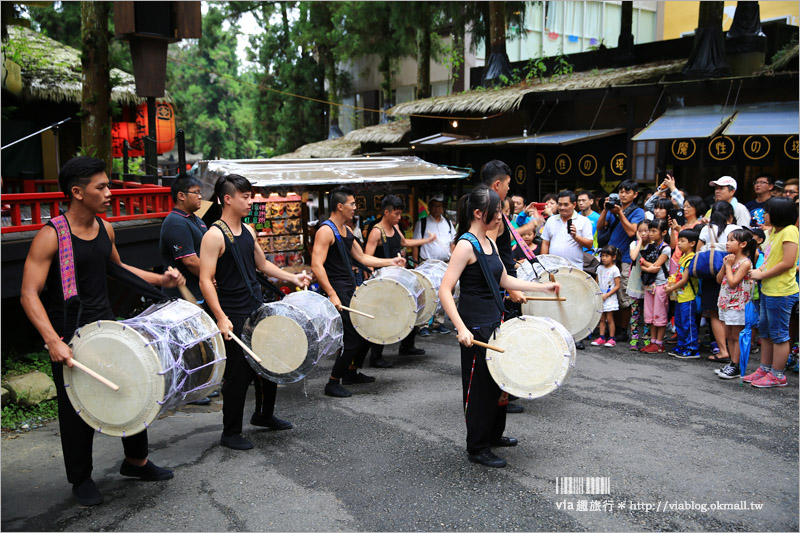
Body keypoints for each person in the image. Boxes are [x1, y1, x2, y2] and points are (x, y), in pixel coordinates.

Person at [20, 156, 183, 506]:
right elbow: (28, 293)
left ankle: (136, 461)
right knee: (76, 407)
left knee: (136, 389)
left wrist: (161, 278)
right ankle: (81, 479)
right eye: (102, 187)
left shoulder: (104, 228)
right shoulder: (51, 236)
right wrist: (52, 340)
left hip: (109, 326)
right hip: (70, 333)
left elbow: (119, 269)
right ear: (77, 192)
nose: (110, 192)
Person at [438, 185, 560, 468]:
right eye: (497, 213)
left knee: (496, 383)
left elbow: (504, 280)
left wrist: (543, 288)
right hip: (474, 325)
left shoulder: (490, 243)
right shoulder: (466, 245)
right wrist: (461, 328)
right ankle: (477, 447)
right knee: (479, 388)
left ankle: (492, 436)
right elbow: (445, 289)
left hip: (494, 320)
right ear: (479, 213)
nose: (501, 218)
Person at [198, 175, 310, 451]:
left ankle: (264, 414)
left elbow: (262, 264)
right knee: (239, 374)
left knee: (269, 361)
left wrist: (292, 278)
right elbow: (204, 279)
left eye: (251, 196)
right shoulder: (213, 235)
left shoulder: (248, 231)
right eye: (245, 196)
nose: (251, 201)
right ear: (227, 199)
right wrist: (220, 317)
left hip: (256, 307)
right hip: (233, 313)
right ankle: (230, 431)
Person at [311, 186, 405, 398]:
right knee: (353, 336)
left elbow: (362, 258)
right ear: (340, 206)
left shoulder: (346, 230)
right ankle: (333, 381)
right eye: (352, 204)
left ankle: (351, 372)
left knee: (368, 329)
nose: (355, 208)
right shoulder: (326, 231)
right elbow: (317, 265)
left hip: (350, 287)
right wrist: (332, 294)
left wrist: (392, 261)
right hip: (338, 290)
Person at [365, 194, 435, 367]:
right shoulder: (377, 231)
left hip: (399, 277)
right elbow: (367, 257)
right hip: (384, 281)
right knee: (381, 316)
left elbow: (405, 242)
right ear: (386, 212)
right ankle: (376, 356)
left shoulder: (395, 227)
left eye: (399, 214)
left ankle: (407, 345)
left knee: (412, 307)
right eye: (396, 214)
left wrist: (426, 240)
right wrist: (372, 282)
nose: (398, 218)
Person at [746, 197, 799, 388]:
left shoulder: (790, 231)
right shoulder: (775, 232)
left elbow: (788, 262)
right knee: (766, 332)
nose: (764, 215)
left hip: (781, 291)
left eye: (767, 211)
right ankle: (765, 369)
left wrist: (761, 273)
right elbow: (771, 258)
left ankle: (777, 374)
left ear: (778, 213)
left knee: (779, 334)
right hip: (769, 289)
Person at [596, 180, 646, 343]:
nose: (623, 194)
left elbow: (632, 231)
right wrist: (605, 210)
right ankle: (613, 328)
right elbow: (600, 226)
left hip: (625, 257)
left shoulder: (638, 212)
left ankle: (623, 329)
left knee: (624, 294)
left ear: (635, 194)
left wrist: (620, 213)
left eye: (627, 191)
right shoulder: (612, 208)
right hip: (610, 257)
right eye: (621, 191)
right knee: (608, 290)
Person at [699, 202, 741, 361]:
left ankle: (722, 350)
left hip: (711, 275)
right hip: (734, 274)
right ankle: (734, 351)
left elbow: (698, 252)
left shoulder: (706, 229)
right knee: (731, 313)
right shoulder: (736, 230)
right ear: (730, 215)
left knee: (715, 313)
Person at [713, 229, 757, 378]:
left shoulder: (745, 263)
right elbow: (719, 279)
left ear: (743, 244)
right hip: (726, 302)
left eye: (732, 240)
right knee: (729, 335)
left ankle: (736, 365)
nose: (728, 243)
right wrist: (725, 265)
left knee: (737, 335)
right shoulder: (730, 260)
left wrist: (728, 266)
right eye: (728, 239)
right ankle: (732, 363)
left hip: (738, 304)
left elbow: (732, 282)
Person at [412, 194, 456, 336]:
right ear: (429, 207)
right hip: (427, 264)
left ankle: (439, 322)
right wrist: (415, 265)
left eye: (439, 206)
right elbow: (416, 244)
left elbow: (452, 244)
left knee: (445, 292)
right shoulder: (422, 222)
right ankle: (423, 324)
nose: (437, 208)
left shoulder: (448, 223)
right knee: (426, 293)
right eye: (434, 205)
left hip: (444, 264)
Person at [666, 229, 701, 359]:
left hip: (688, 296)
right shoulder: (683, 257)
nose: (679, 243)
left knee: (688, 323)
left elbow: (685, 279)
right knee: (680, 323)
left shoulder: (691, 258)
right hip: (680, 296)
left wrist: (671, 288)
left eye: (682, 241)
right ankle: (682, 345)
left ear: (692, 243)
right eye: (678, 240)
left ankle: (692, 348)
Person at [639, 219, 671, 353]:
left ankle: (659, 343)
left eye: (653, 231)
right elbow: (650, 266)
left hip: (660, 284)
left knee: (660, 314)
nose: (650, 234)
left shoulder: (666, 249)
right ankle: (652, 341)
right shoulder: (649, 247)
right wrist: (648, 266)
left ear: (663, 232)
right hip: (650, 284)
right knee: (650, 314)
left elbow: (655, 267)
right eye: (649, 231)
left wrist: (644, 264)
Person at [540, 190, 594, 269]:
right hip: (553, 268)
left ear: (574, 205)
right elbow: (545, 243)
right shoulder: (551, 220)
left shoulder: (584, 221)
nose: (562, 207)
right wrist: (543, 264)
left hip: (574, 269)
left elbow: (589, 244)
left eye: (566, 204)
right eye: (560, 204)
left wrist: (575, 237)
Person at [626, 221, 651, 351]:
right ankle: (634, 338)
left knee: (648, 313)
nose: (643, 233)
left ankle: (647, 339)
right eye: (640, 231)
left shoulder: (654, 246)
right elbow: (633, 256)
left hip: (648, 284)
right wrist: (640, 242)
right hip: (635, 283)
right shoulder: (634, 244)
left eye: (646, 230)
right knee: (635, 314)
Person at [591, 245, 621, 347]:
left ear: (613, 257)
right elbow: (597, 282)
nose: (603, 258)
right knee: (601, 318)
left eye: (606, 256)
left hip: (609, 297)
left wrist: (607, 295)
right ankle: (602, 337)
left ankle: (612, 338)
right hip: (601, 296)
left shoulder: (615, 269)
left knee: (610, 318)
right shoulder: (599, 268)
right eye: (602, 256)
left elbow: (617, 286)